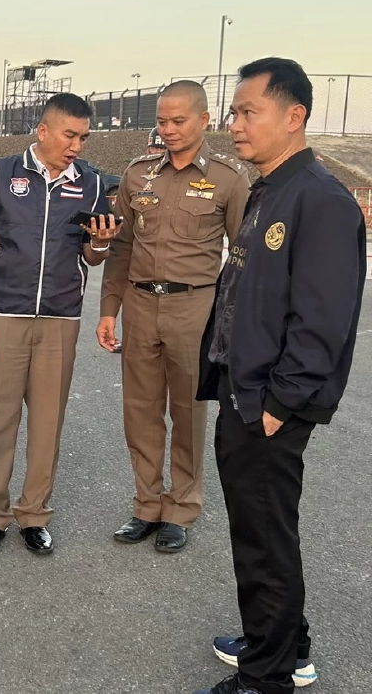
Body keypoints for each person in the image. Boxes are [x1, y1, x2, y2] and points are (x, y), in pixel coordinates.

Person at [193, 58, 365, 694]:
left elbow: (323, 317)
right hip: (246, 389)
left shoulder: (318, 198)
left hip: (269, 401)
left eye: (248, 112)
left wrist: (280, 401)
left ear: (294, 117)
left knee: (264, 532)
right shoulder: (271, 185)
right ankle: (281, 640)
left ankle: (267, 676)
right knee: (261, 526)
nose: (236, 125)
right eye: (234, 112)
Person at [98, 80, 250, 554]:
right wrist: (109, 310)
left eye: (178, 120)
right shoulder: (138, 175)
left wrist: (230, 320)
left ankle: (181, 507)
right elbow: (121, 247)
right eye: (162, 121)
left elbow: (243, 256)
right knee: (140, 412)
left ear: (205, 121)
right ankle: (146, 504)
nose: (168, 129)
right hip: (141, 306)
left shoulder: (229, 178)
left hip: (194, 309)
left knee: (187, 412)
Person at [0, 93, 115, 556]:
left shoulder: (90, 184)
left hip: (60, 316)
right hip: (4, 312)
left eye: (84, 138)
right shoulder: (1, 174)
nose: (77, 146)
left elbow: (92, 254)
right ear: (44, 131)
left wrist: (103, 245)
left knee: (48, 421)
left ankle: (34, 514)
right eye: (70, 135)